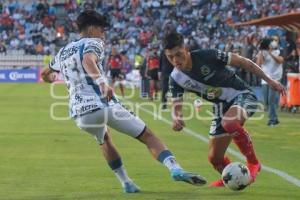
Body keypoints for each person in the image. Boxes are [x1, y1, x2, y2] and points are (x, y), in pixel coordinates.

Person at [41, 10, 206, 193]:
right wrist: (102, 83)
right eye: (102, 29)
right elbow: (88, 59)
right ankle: (175, 168)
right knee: (147, 135)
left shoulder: (63, 51)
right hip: (101, 103)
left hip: (80, 115)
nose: (103, 33)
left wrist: (54, 78)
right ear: (93, 28)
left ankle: (126, 182)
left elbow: (44, 74)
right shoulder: (94, 42)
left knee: (104, 140)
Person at [163, 32, 285, 187]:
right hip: (221, 108)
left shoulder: (207, 56)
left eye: (178, 54)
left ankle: (253, 163)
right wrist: (176, 118)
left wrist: (269, 80)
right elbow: (176, 104)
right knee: (214, 158)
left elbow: (243, 62)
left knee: (229, 123)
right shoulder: (176, 78)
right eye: (170, 57)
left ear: (185, 49)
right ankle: (229, 177)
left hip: (243, 95)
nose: (175, 60)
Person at [256, 37, 284, 126]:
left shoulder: (279, 51)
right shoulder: (262, 52)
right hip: (265, 79)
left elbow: (280, 61)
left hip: (275, 78)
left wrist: (270, 53)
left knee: (271, 100)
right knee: (266, 101)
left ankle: (272, 120)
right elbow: (258, 64)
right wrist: (261, 51)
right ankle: (274, 118)